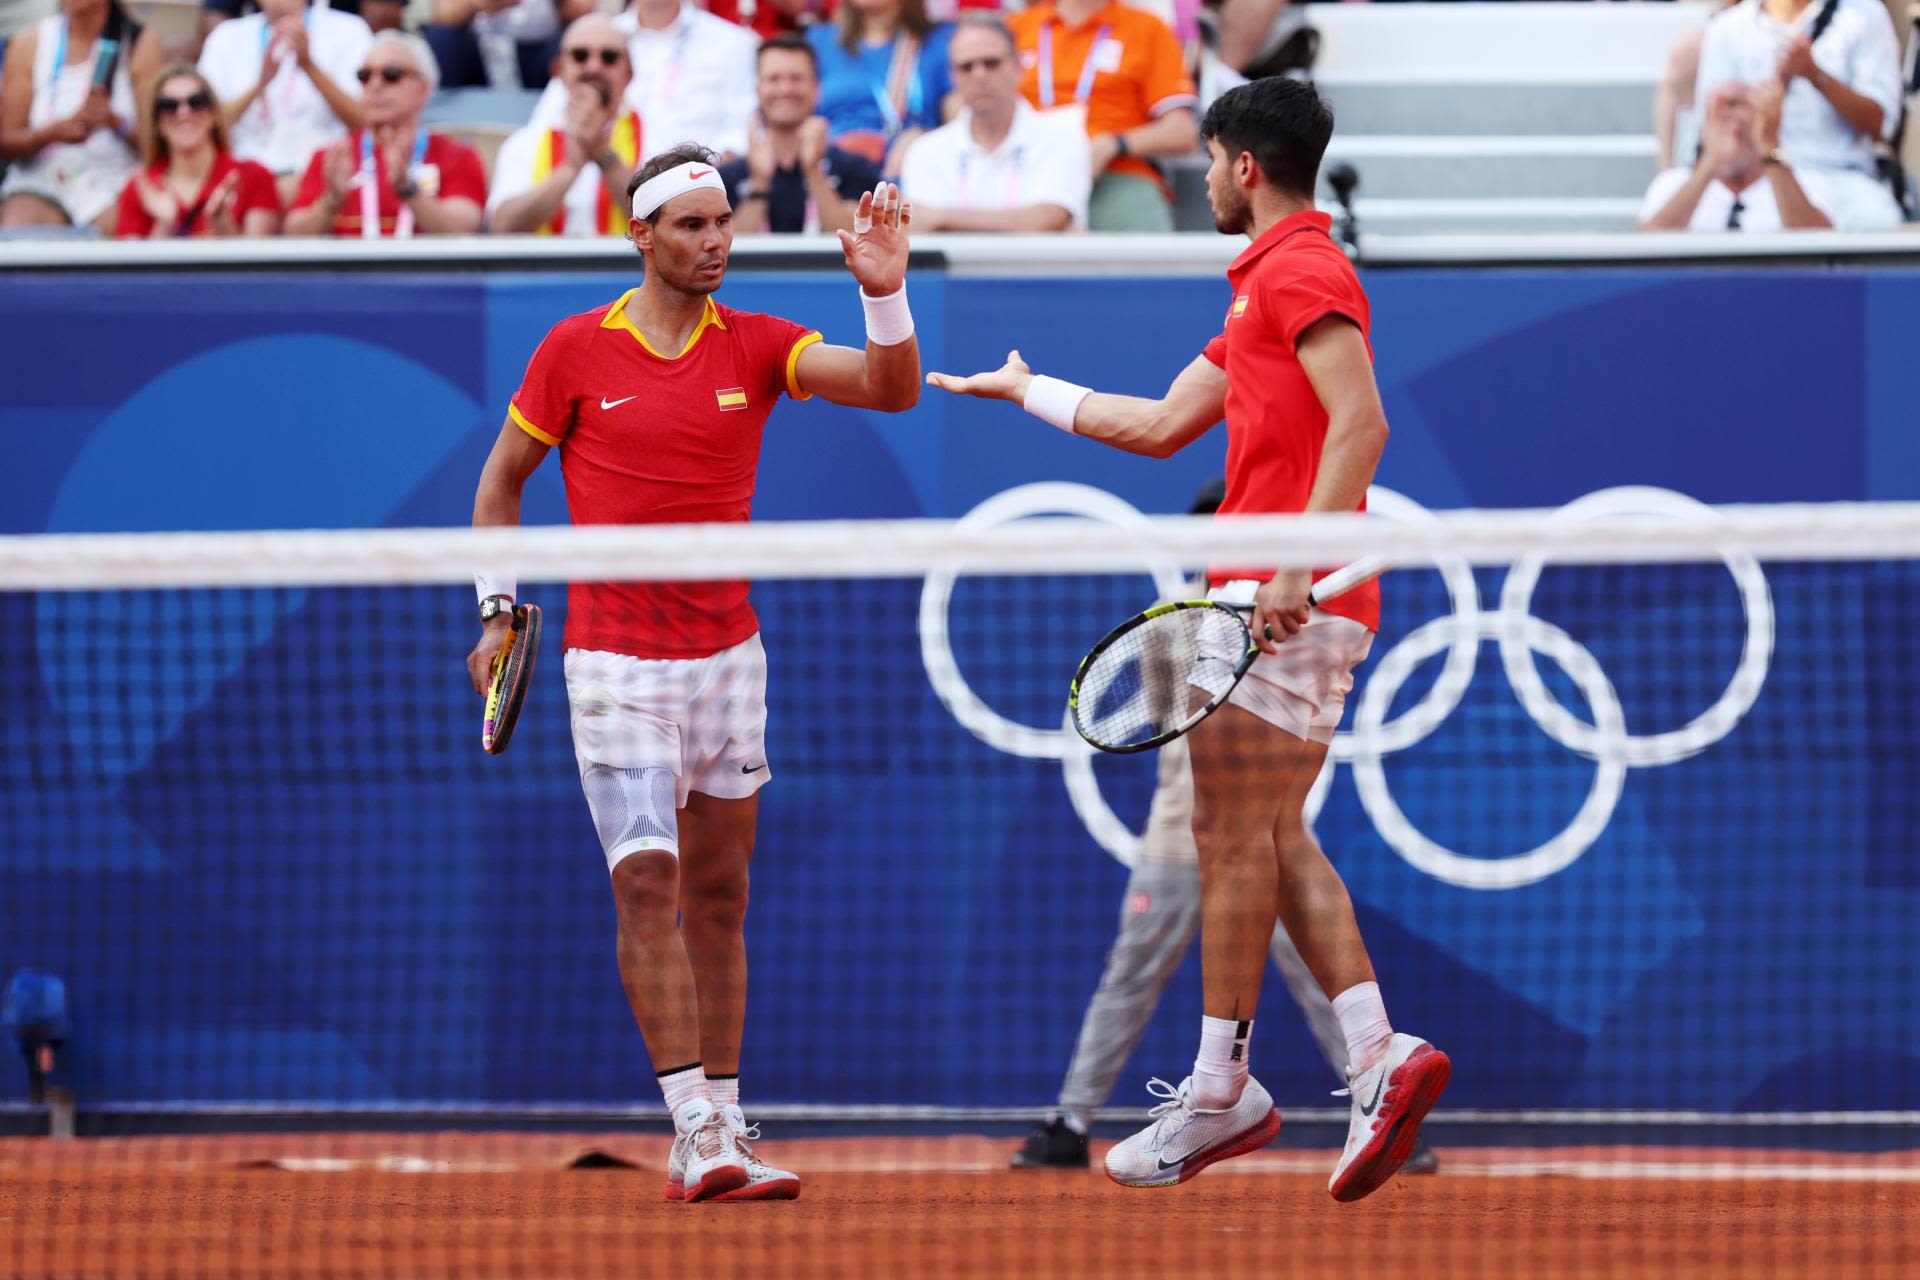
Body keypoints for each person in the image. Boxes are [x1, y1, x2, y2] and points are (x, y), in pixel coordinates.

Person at [928, 76, 1448, 1201]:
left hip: (1278, 597)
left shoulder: (1302, 268)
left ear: (1244, 168)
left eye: (1208, 161)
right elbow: (1165, 427)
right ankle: (1373, 1051)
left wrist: (1296, 563)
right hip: (1280, 598)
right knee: (1266, 831)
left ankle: (1222, 1085)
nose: (1200, 178)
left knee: (1227, 830)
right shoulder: (1260, 285)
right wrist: (1031, 393)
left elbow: (1363, 421)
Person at [465, 146, 920, 1203]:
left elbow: (891, 390)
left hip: (729, 664)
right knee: (648, 882)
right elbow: (501, 479)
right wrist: (494, 608)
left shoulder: (761, 345)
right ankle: (696, 1126)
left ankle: (727, 1108)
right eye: (691, 226)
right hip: (615, 668)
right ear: (642, 236)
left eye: (723, 224)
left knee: (721, 894)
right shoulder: (575, 349)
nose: (714, 241)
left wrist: (884, 293)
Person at [1009, 493, 1438, 1179]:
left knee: (1309, 971)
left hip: (1257, 835)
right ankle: (1071, 1120)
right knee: (1128, 980)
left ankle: (1377, 1087)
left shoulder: (1272, 599)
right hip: (1178, 844)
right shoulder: (1182, 620)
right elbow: (1167, 721)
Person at [1694, 0, 1904, 229]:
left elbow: (1881, 126)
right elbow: (1713, 128)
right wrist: (1761, 112)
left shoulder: (1865, 15)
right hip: (1755, 178)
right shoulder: (1728, 26)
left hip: (1840, 176)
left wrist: (1816, 76)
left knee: (1879, 222)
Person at [1006, 0, 1197, 232]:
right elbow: (964, 105)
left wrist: (1115, 144)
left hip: (1113, 172)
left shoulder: (1147, 27)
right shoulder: (1015, 27)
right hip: (1022, 169)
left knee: (1147, 257)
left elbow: (1182, 131)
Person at [898, 13, 1090, 231]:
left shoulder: (1064, 137)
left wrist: (941, 218)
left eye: (992, 63)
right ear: (953, 77)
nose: (979, 75)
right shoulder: (925, 151)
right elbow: (920, 224)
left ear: (1019, 66)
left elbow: (1047, 219)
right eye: (966, 66)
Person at [283, 30, 485, 236]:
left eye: (391, 75)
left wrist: (409, 191)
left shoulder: (458, 157)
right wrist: (329, 203)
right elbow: (293, 235)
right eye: (365, 76)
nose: (375, 84)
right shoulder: (332, 156)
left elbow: (464, 230)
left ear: (423, 88)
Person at [0, 0, 160, 230]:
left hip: (115, 183)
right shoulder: (29, 42)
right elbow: (8, 140)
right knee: (21, 232)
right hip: (41, 179)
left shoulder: (140, 42)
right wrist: (50, 134)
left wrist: (114, 122)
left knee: (124, 237)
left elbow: (157, 143)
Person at [527, 0, 756, 160]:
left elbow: (739, 138)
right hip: (598, 197)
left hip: (695, 201)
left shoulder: (732, 43)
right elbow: (547, 123)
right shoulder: (596, 40)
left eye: (609, 58)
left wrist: (692, 187)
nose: (596, 63)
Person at [197, 0, 369, 203]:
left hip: (324, 177)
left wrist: (308, 66)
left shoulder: (349, 30)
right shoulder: (225, 36)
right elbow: (204, 125)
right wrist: (259, 86)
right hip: (245, 180)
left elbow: (364, 121)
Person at [487, 13, 643, 236]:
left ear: (628, 74)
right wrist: (569, 169)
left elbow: (667, 219)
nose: (594, 67)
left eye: (608, 57)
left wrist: (603, 155)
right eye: (580, 56)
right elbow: (502, 226)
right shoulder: (526, 141)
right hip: (544, 270)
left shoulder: (657, 131)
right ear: (558, 69)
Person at [720, 31, 881, 234]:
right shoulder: (726, 178)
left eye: (796, 78)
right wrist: (759, 183)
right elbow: (731, 256)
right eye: (774, 79)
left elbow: (855, 246)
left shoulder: (855, 169)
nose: (786, 89)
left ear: (816, 89)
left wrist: (815, 172)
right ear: (757, 90)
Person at [1640, 79, 1844, 230]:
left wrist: (1769, 146)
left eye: (1738, 105)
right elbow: (1647, 251)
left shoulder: (1808, 183)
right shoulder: (1671, 184)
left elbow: (1817, 248)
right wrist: (1710, 162)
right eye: (1718, 112)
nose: (1730, 120)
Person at [115, 59, 280, 236]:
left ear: (214, 114)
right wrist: (164, 225)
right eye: (169, 106)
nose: (184, 113)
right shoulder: (140, 188)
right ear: (157, 123)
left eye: (197, 102)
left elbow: (257, 261)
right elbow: (129, 263)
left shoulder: (253, 176)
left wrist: (222, 224)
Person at [806, 0, 951, 176]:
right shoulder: (819, 41)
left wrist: (925, 140)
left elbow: (963, 126)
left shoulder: (941, 40)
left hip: (907, 173)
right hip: (831, 173)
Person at [424, 0, 595, 92]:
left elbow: (585, 12)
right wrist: (475, 3)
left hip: (542, 52)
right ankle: (442, 117)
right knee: (441, 37)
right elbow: (444, 15)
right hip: (478, 48)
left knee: (582, 43)